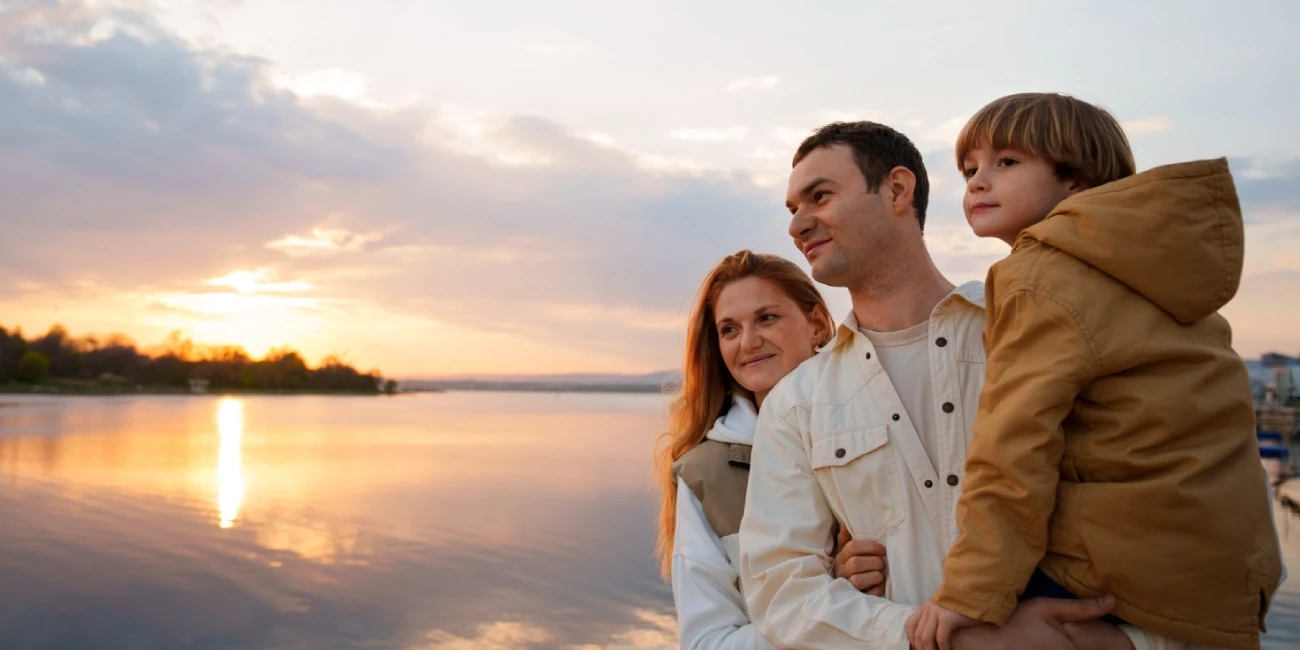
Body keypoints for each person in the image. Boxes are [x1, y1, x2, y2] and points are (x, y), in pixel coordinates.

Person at [738, 120, 1175, 650]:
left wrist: (1123, 644)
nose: (797, 225)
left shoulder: (1038, 330)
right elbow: (780, 594)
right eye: (792, 209)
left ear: (897, 189)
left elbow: (1179, 504)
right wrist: (941, 638)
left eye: (820, 197)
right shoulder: (797, 403)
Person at [906, 93, 1283, 650]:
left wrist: (969, 591)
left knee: (948, 634)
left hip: (1120, 572)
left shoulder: (1037, 276)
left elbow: (1013, 447)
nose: (978, 182)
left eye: (1006, 162)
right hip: (1216, 568)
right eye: (969, 170)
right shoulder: (1165, 275)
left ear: (1075, 181)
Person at [654, 250, 889, 649]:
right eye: (729, 329)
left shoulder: (882, 422)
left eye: (766, 318)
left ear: (817, 325)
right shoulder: (704, 475)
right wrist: (826, 600)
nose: (748, 342)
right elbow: (708, 642)